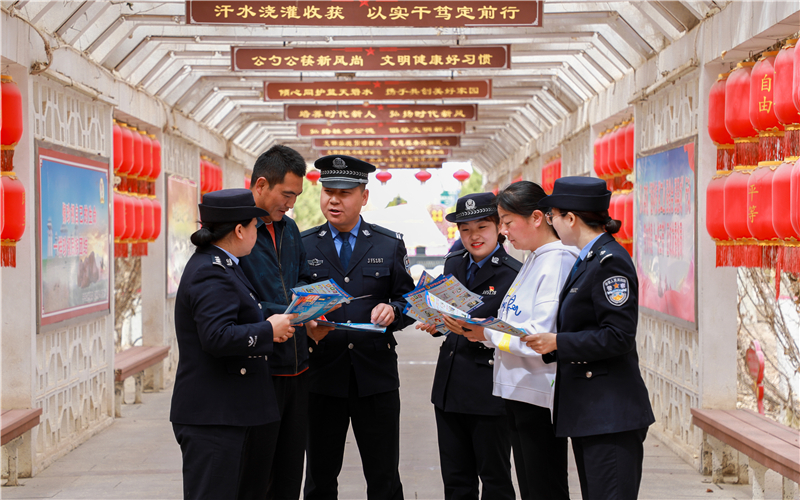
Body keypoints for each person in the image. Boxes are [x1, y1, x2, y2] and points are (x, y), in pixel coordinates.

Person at [525, 176, 655, 500]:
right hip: (589, 411)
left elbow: (619, 336)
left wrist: (558, 342)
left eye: (553, 215)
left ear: (571, 218)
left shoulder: (610, 262)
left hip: (610, 414)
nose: (551, 222)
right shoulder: (588, 258)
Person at [301, 155, 415, 500]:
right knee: (319, 476)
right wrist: (307, 323)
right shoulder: (303, 245)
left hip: (375, 376)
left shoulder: (387, 243)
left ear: (364, 196)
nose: (334, 200)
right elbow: (291, 302)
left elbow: (409, 301)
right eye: (328, 192)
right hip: (322, 375)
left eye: (344, 193)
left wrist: (393, 310)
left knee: (384, 476)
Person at [170, 189, 297, 499]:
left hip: (229, 411)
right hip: (213, 416)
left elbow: (235, 319)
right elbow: (217, 336)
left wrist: (271, 327)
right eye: (254, 226)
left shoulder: (224, 264)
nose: (257, 232)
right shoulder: (210, 272)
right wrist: (267, 330)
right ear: (240, 230)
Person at [238, 144, 330, 500]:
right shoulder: (237, 230)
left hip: (298, 365)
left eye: (296, 196)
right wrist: (283, 314)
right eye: (286, 194)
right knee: (256, 472)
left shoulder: (290, 229)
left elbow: (303, 277)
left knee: (291, 470)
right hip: (259, 369)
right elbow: (234, 299)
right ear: (261, 185)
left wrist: (314, 308)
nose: (290, 204)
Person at [417, 193, 520, 500]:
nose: (474, 236)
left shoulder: (513, 274)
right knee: (456, 480)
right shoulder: (454, 263)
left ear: (499, 227)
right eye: (465, 229)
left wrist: (481, 331)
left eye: (482, 227)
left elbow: (517, 334)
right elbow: (447, 310)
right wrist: (436, 323)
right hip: (450, 387)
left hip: (489, 390)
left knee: (495, 478)